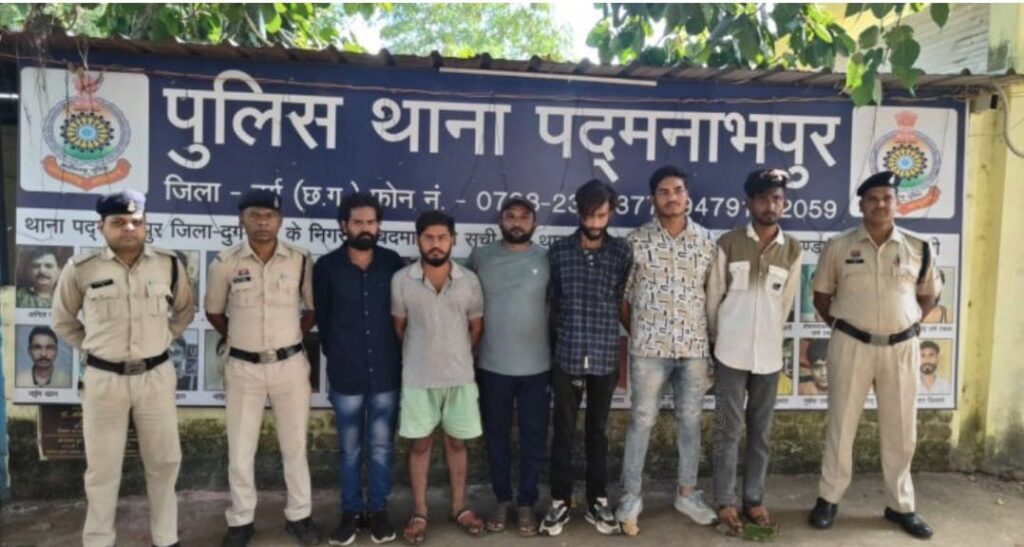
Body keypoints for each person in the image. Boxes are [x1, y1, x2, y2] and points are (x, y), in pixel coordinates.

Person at [51, 190, 194, 547]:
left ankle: (166, 538)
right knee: (102, 470)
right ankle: (99, 540)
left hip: (155, 378)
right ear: (101, 226)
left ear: (145, 225)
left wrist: (162, 338)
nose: (129, 228)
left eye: (136, 222)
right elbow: (62, 321)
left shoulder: (168, 264)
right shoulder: (81, 268)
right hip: (104, 381)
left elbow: (185, 311)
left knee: (164, 463)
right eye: (118, 222)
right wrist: (96, 349)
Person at [807, 171, 941, 540]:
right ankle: (829, 498)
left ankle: (901, 505)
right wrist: (852, 327)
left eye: (887, 198)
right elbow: (821, 298)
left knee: (901, 430)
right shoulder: (839, 247)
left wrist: (905, 325)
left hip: (901, 348)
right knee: (841, 425)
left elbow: (928, 296)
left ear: (897, 203)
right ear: (861, 205)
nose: (880, 204)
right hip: (852, 345)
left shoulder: (918, 247)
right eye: (873, 199)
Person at [205, 189, 321, 547]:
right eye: (254, 215)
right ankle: (241, 520)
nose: (262, 222)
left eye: (269, 216)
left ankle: (299, 515)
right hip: (243, 368)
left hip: (289, 366)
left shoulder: (300, 260)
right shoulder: (224, 262)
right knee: (241, 450)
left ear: (280, 220)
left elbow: (312, 308)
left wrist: (291, 338)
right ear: (242, 220)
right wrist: (241, 338)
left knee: (295, 446)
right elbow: (214, 311)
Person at [612, 166, 716, 536]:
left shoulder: (707, 242)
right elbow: (623, 299)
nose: (672, 197)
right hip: (649, 350)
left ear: (687, 196)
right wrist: (642, 331)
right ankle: (631, 496)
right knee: (642, 420)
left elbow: (713, 295)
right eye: (663, 191)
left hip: (694, 348)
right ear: (653, 198)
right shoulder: (636, 241)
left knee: (690, 420)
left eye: (678, 190)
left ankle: (687, 493)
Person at [706, 169, 802, 534]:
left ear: (784, 203)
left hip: (769, 356)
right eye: (763, 198)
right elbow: (714, 297)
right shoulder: (729, 243)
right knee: (727, 431)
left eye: (776, 198)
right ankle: (725, 502)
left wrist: (769, 337)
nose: (770, 205)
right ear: (748, 203)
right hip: (730, 352)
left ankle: (754, 500)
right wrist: (718, 340)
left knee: (761, 433)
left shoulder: (792, 250)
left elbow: (786, 303)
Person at [540, 180, 632, 537]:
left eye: (602, 216)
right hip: (567, 355)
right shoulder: (559, 252)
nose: (595, 223)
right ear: (578, 213)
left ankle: (597, 501)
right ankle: (560, 501)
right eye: (589, 216)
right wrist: (554, 347)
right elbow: (553, 304)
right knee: (562, 431)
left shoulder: (621, 253)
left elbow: (621, 301)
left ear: (611, 213)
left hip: (605, 356)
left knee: (597, 432)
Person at [313, 192, 404, 545]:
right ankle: (350, 512)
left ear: (378, 225)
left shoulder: (392, 263)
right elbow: (323, 319)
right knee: (349, 451)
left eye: (371, 222)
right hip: (347, 374)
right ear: (344, 225)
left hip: (385, 373)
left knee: (381, 448)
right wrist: (339, 355)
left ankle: (377, 510)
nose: (365, 228)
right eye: (357, 222)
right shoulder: (327, 267)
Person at [391, 210, 486, 544]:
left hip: (460, 377)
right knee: (420, 445)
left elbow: (476, 328)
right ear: (418, 240)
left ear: (453, 240)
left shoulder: (469, 280)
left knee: (457, 443)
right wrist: (425, 354)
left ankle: (459, 507)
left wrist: (454, 355)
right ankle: (420, 512)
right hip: (418, 379)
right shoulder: (402, 280)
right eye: (429, 237)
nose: (436, 244)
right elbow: (400, 328)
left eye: (442, 237)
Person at [466, 197, 550, 537]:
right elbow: (464, 302)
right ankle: (502, 500)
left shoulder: (547, 258)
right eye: (510, 216)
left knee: (534, 439)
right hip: (492, 366)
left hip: (538, 367)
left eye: (524, 217)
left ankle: (526, 503)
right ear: (500, 221)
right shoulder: (481, 257)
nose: (517, 222)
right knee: (496, 438)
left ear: (534, 224)